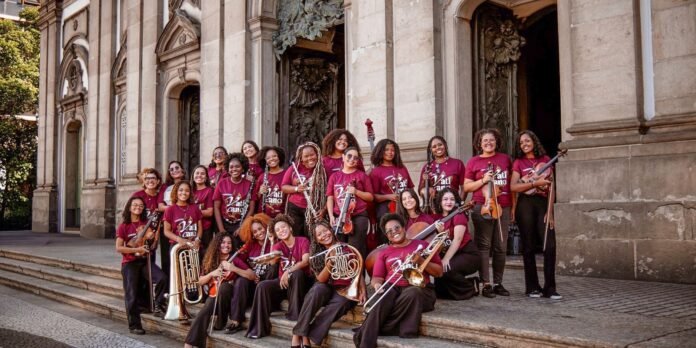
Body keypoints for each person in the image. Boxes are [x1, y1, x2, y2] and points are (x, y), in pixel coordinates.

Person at [353, 213, 443, 348]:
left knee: (413, 292)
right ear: (386, 236)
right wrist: (377, 285)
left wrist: (422, 261)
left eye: (396, 228)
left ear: (403, 228)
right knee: (382, 297)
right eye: (389, 231)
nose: (394, 232)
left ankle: (369, 329)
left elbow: (439, 272)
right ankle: (366, 344)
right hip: (393, 287)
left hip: (420, 289)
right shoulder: (384, 252)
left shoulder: (422, 245)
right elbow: (377, 277)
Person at [292, 221, 366, 347]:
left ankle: (308, 335)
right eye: (319, 234)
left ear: (331, 230)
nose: (324, 235)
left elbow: (357, 270)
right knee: (316, 290)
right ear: (317, 240)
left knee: (342, 302)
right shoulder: (316, 255)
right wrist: (331, 261)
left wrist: (362, 289)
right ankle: (298, 334)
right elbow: (321, 279)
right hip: (327, 287)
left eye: (325, 231)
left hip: (346, 287)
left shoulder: (347, 247)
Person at [510, 130, 561, 300]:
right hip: (525, 204)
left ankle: (550, 287)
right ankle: (532, 287)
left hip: (542, 203)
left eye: (527, 141)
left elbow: (552, 186)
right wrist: (533, 182)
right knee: (529, 246)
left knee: (550, 245)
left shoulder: (546, 160)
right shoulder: (518, 162)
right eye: (521, 143)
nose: (524, 144)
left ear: (534, 141)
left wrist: (550, 211)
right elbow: (514, 187)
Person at [464, 128, 513, 298]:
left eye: (491, 140)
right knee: (484, 246)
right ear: (479, 143)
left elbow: (511, 185)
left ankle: (498, 282)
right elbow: (467, 187)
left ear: (497, 142)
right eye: (485, 141)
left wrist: (512, 208)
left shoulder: (505, 159)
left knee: (501, 246)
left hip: (503, 206)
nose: (488, 143)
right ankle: (486, 283)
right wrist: (484, 180)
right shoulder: (473, 162)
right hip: (482, 206)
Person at [246, 214, 312, 339]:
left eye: (283, 227)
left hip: (300, 283)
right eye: (278, 230)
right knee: (262, 286)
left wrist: (288, 272)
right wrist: (271, 243)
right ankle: (258, 328)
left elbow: (305, 261)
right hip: (283, 282)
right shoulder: (278, 245)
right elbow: (271, 262)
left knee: (297, 273)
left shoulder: (302, 241)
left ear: (290, 228)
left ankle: (295, 315)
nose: (281, 231)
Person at [184, 233, 255, 348]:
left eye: (229, 243)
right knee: (205, 310)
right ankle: (189, 344)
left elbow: (252, 275)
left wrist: (233, 268)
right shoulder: (210, 259)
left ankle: (221, 322)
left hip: (228, 298)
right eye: (223, 242)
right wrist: (212, 273)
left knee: (225, 287)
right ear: (217, 244)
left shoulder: (235, 259)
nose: (226, 245)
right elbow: (200, 281)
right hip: (213, 294)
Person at [115, 197, 167, 335]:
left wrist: (155, 239)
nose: (138, 207)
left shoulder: (146, 223)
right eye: (135, 205)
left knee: (162, 278)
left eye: (141, 205)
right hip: (129, 264)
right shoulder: (124, 226)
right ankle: (134, 325)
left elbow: (152, 247)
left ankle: (158, 304)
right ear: (129, 207)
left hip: (144, 261)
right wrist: (135, 250)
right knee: (131, 294)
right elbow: (119, 248)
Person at [225, 213, 278, 334]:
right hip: (254, 284)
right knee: (241, 281)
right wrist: (250, 272)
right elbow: (237, 260)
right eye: (255, 232)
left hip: (267, 286)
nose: (259, 233)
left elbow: (275, 265)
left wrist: (272, 241)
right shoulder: (250, 245)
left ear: (266, 226)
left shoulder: (275, 241)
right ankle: (236, 320)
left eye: (260, 228)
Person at [432, 188, 481, 300]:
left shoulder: (459, 214)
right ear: (440, 201)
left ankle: (470, 287)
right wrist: (440, 233)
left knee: (446, 269)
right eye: (445, 199)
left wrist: (445, 259)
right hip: (454, 253)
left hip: (468, 254)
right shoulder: (438, 218)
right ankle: (460, 286)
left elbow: (457, 240)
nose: (449, 202)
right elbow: (444, 242)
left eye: (452, 199)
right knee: (439, 287)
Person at [326, 146, 374, 258]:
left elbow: (370, 197)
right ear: (343, 157)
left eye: (356, 158)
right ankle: (345, 274)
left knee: (355, 248)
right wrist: (331, 215)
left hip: (358, 215)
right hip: (340, 217)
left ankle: (358, 275)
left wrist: (356, 191)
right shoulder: (334, 176)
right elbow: (330, 197)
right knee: (340, 249)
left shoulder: (362, 176)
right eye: (349, 156)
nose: (352, 159)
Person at [369, 139, 414, 241]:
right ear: (380, 151)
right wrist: (389, 196)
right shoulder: (376, 171)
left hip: (405, 203)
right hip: (387, 206)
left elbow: (410, 188)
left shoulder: (402, 168)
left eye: (392, 150)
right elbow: (373, 196)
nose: (390, 152)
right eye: (386, 150)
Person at [281, 142, 327, 237]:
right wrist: (297, 188)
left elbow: (330, 193)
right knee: (295, 234)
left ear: (317, 154)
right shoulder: (294, 169)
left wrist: (324, 209)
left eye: (312, 155)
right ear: (301, 158)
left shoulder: (324, 170)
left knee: (311, 235)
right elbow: (284, 187)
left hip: (314, 208)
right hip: (295, 207)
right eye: (306, 156)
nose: (310, 158)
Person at [213, 152, 257, 248]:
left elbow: (251, 209)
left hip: (242, 223)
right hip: (224, 223)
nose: (234, 169)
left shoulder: (250, 184)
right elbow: (216, 207)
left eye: (237, 166)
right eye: (231, 167)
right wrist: (221, 229)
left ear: (242, 168)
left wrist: (242, 227)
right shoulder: (221, 183)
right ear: (228, 169)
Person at [418, 136, 467, 212]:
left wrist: (459, 204)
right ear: (431, 150)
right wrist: (425, 185)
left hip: (452, 206)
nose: (437, 148)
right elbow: (420, 191)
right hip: (434, 209)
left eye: (440, 145)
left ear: (445, 145)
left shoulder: (457, 163)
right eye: (434, 147)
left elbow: (464, 188)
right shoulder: (427, 167)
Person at [158, 161, 187, 279]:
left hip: (185, 224)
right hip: (168, 224)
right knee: (167, 257)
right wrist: (175, 209)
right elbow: (160, 206)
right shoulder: (165, 187)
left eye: (177, 168)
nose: (174, 170)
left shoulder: (188, 184)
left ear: (182, 170)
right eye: (171, 169)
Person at [131, 168, 164, 262]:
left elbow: (160, 220)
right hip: (137, 235)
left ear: (158, 181)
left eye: (153, 178)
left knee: (150, 263)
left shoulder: (160, 198)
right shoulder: (137, 195)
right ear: (143, 181)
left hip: (151, 236)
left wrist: (156, 239)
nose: (150, 181)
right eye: (147, 178)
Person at [256, 146, 287, 218]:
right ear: (265, 161)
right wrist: (260, 192)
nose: (272, 159)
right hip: (264, 216)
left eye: (274, 156)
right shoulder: (262, 177)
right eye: (268, 158)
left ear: (279, 157)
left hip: (282, 216)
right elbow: (256, 198)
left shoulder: (286, 174)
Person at [191, 165, 215, 255]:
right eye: (197, 173)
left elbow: (209, 212)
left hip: (205, 229)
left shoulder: (209, 190)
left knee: (204, 255)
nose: (199, 175)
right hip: (190, 229)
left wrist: (192, 212)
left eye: (202, 174)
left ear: (206, 177)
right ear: (193, 176)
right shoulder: (189, 191)